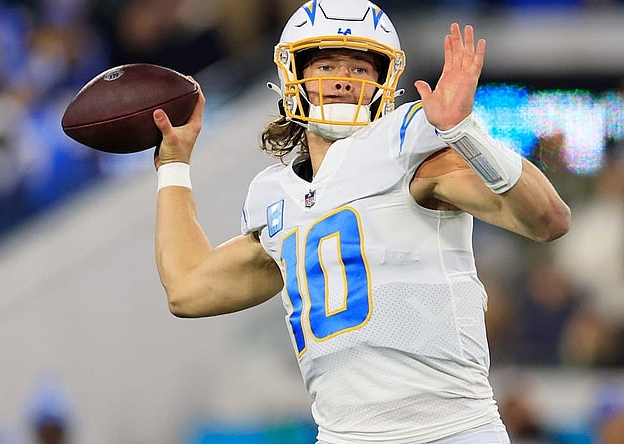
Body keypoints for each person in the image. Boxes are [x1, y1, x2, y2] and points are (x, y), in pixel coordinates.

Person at [152, 0, 571, 443]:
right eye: (327, 64)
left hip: (452, 430)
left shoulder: (407, 150)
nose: (341, 80)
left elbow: (549, 219)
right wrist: (174, 166)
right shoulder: (276, 198)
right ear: (293, 77)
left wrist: (463, 132)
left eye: (359, 69)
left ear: (382, 82)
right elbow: (188, 289)